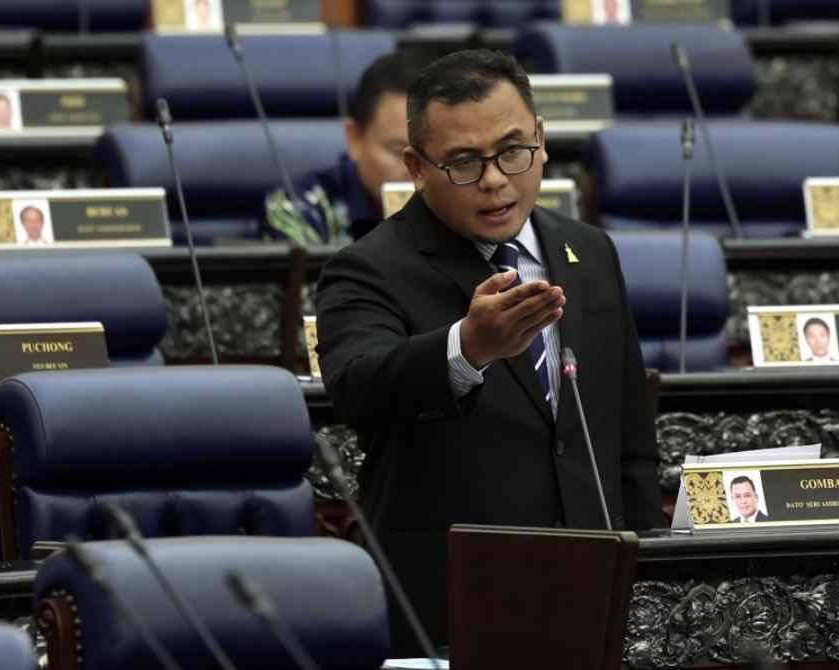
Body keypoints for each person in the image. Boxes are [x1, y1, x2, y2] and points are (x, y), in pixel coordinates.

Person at [316, 49, 663, 654]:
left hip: (595, 585)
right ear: (416, 167)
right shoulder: (368, 268)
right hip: (452, 599)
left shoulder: (589, 251)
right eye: (463, 162)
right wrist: (466, 348)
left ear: (543, 141)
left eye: (512, 150)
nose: (496, 178)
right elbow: (358, 385)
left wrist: (652, 577)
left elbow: (628, 436)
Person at [264, 52, 418, 247]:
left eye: (429, 154)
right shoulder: (299, 209)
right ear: (355, 138)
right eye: (399, 152)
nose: (417, 170)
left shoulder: (459, 201)